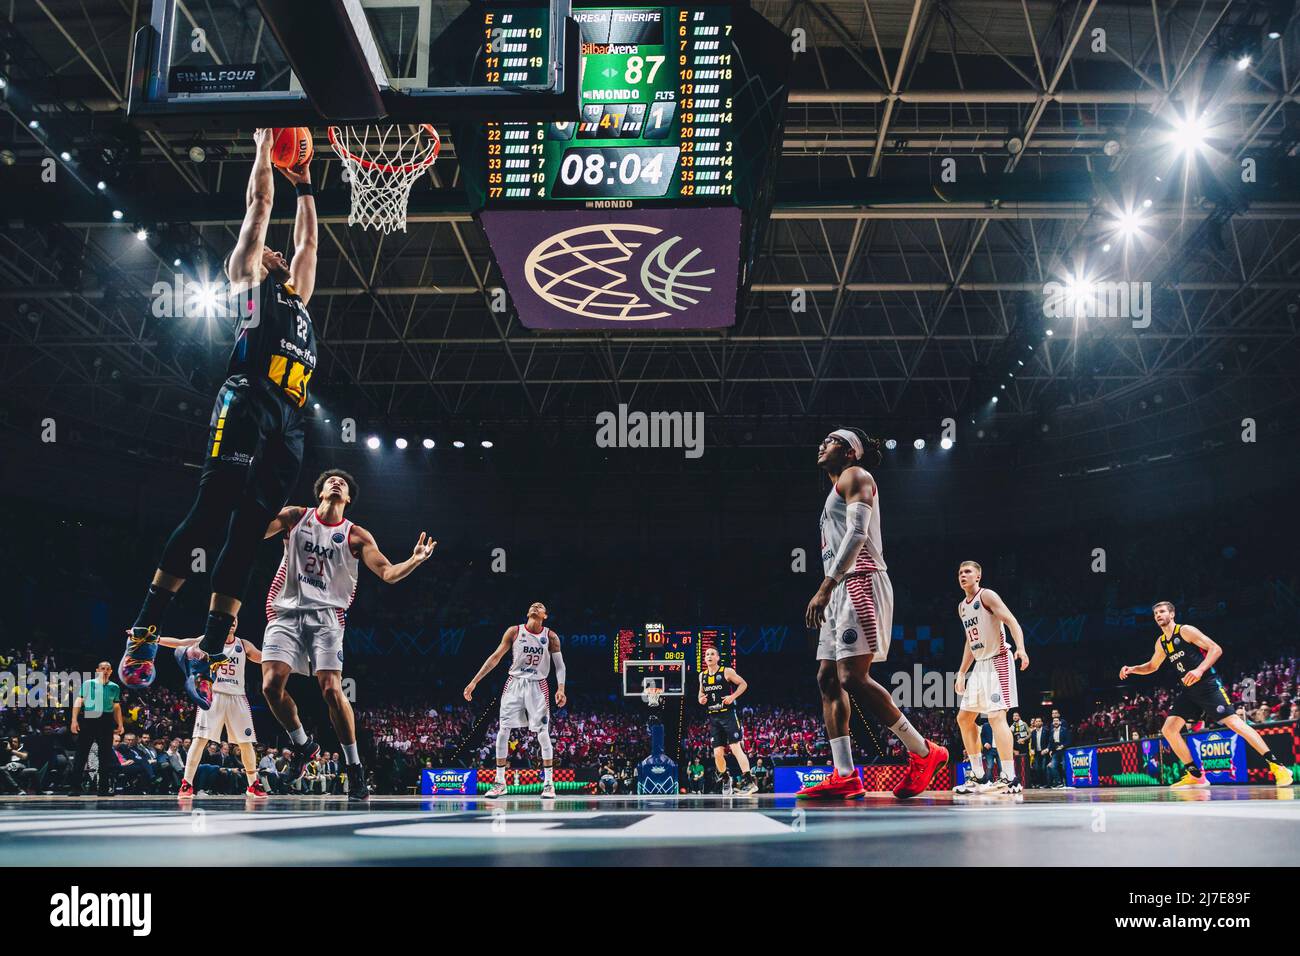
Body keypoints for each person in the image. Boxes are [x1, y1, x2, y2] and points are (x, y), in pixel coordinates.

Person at [119, 129, 319, 706]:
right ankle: (143, 633)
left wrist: (305, 183)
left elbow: (308, 246)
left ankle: (206, 656)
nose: (280, 253)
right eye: (271, 252)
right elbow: (259, 208)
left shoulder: (298, 296)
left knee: (250, 534)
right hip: (248, 399)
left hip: (291, 418)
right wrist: (263, 151)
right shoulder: (249, 278)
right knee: (210, 514)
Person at [259, 469, 436, 801]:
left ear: (348, 498)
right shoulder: (296, 516)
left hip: (328, 617)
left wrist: (414, 560)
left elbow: (387, 573)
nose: (336, 482)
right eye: (330, 481)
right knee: (270, 686)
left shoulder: (355, 535)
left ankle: (354, 767)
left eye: (342, 483)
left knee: (330, 689)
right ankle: (303, 745)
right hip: (285, 611)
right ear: (321, 492)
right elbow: (256, 530)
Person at [798, 428, 947, 800]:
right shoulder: (834, 489)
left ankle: (924, 752)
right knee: (827, 679)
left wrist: (825, 586)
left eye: (830, 441)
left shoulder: (856, 476)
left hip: (859, 581)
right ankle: (845, 774)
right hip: (838, 588)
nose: (822, 444)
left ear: (850, 453)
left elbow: (858, 534)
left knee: (852, 676)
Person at [1120, 601, 1293, 788]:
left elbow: (1216, 649)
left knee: (1234, 723)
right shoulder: (1162, 643)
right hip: (1189, 691)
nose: (1158, 616)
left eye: (1162, 612)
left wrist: (1199, 670)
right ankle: (1196, 776)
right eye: (1155, 614)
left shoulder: (1185, 631)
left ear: (1172, 614)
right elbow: (1152, 666)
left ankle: (1279, 767)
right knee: (1169, 730)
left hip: (1207, 684)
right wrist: (1133, 669)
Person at [464, 602, 568, 799]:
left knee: (543, 733)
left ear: (545, 616)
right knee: (503, 730)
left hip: (538, 685)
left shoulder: (551, 636)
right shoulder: (514, 631)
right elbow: (495, 658)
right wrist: (474, 682)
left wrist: (561, 688)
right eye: (533, 605)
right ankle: (500, 782)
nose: (535, 606)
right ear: (528, 612)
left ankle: (548, 784)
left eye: (540, 606)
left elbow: (560, 666)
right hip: (514, 684)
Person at [158, 622, 267, 799]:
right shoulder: (208, 640)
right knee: (199, 740)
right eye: (228, 620)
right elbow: (182, 643)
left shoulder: (243, 644)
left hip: (237, 697)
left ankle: (253, 784)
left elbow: (263, 657)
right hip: (213, 694)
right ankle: (187, 784)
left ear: (237, 623)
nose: (231, 624)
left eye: (234, 621)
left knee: (246, 743)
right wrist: (156, 639)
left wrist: (292, 657)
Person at [953, 561, 1030, 793]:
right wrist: (961, 672)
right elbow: (970, 641)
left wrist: (1021, 648)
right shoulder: (962, 607)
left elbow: (1011, 620)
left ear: (978, 576)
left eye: (967, 571)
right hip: (980, 664)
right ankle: (979, 776)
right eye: (959, 573)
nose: (962, 575)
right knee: (964, 719)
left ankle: (1010, 777)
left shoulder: (987, 596)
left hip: (998, 659)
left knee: (997, 716)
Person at [697, 647, 758, 795]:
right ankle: (726, 779)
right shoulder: (702, 676)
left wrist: (732, 697)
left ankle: (750, 782)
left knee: (736, 748)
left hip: (728, 715)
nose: (709, 656)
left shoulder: (726, 671)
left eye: (712, 654)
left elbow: (743, 684)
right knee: (717, 752)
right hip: (714, 717)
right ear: (704, 659)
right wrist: (701, 699)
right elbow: (700, 695)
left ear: (718, 658)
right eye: (707, 654)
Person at [67, 662, 124, 796]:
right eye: (102, 668)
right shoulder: (88, 684)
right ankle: (75, 787)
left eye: (107, 669)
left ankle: (103, 789)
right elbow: (79, 701)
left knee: (105, 755)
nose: (105, 671)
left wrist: (120, 724)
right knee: (81, 753)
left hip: (106, 719)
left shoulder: (114, 687)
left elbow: (116, 707)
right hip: (90, 717)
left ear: (111, 671)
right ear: (97, 670)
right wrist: (74, 720)